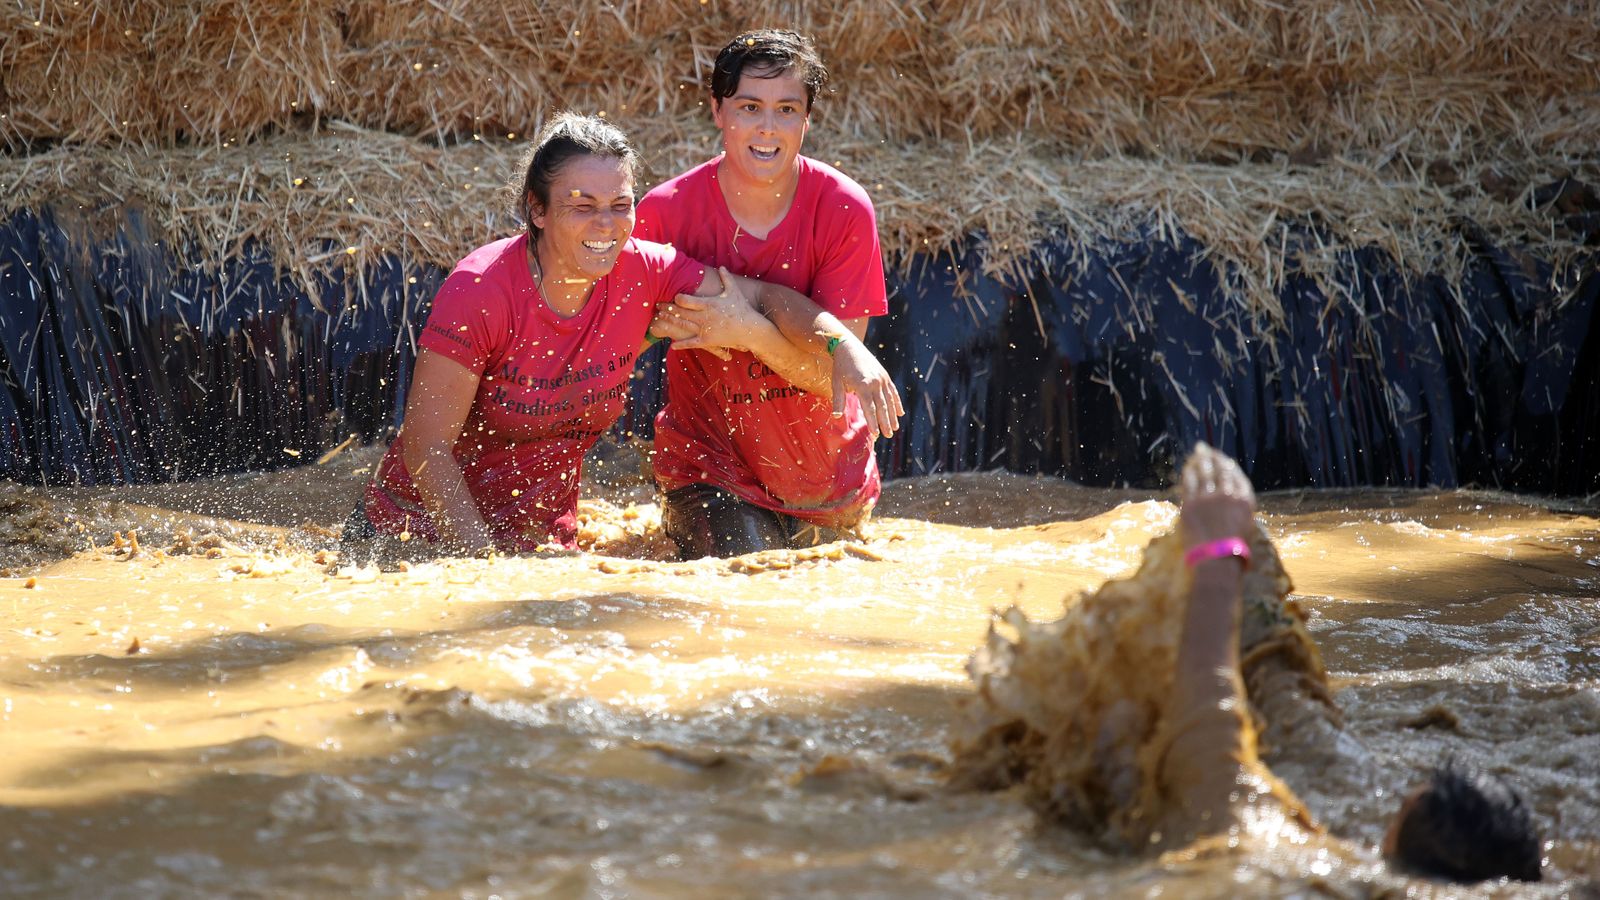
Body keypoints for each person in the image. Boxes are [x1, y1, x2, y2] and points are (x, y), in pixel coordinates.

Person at [953, 443, 1542, 884]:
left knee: (1120, 721)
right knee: (1269, 640)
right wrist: (1242, 545)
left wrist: (1217, 554)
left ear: (1393, 844)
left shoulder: (1272, 854)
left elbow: (1207, 740)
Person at [345, 112, 899, 557]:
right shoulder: (480, 290)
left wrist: (842, 345)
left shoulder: (645, 271)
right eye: (581, 206)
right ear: (536, 210)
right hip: (412, 545)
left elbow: (761, 297)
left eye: (620, 205)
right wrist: (485, 568)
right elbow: (426, 445)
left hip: (543, 550)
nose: (606, 225)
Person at [634, 29, 902, 559]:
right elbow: (621, 341)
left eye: (786, 110)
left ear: (808, 118)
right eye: (750, 106)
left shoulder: (845, 209)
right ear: (717, 110)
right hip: (708, 467)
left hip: (828, 480)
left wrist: (746, 332)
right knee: (745, 578)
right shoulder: (665, 214)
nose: (767, 127)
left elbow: (833, 382)